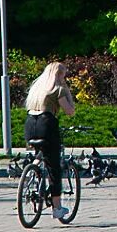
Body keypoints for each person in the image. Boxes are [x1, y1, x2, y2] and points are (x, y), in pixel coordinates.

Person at [23, 62, 77, 220]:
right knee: (54, 168)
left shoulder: (37, 89)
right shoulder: (58, 89)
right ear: (59, 75)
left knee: (41, 152)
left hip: (30, 124)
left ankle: (33, 169)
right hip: (46, 124)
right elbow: (70, 111)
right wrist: (66, 90)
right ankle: (57, 207)